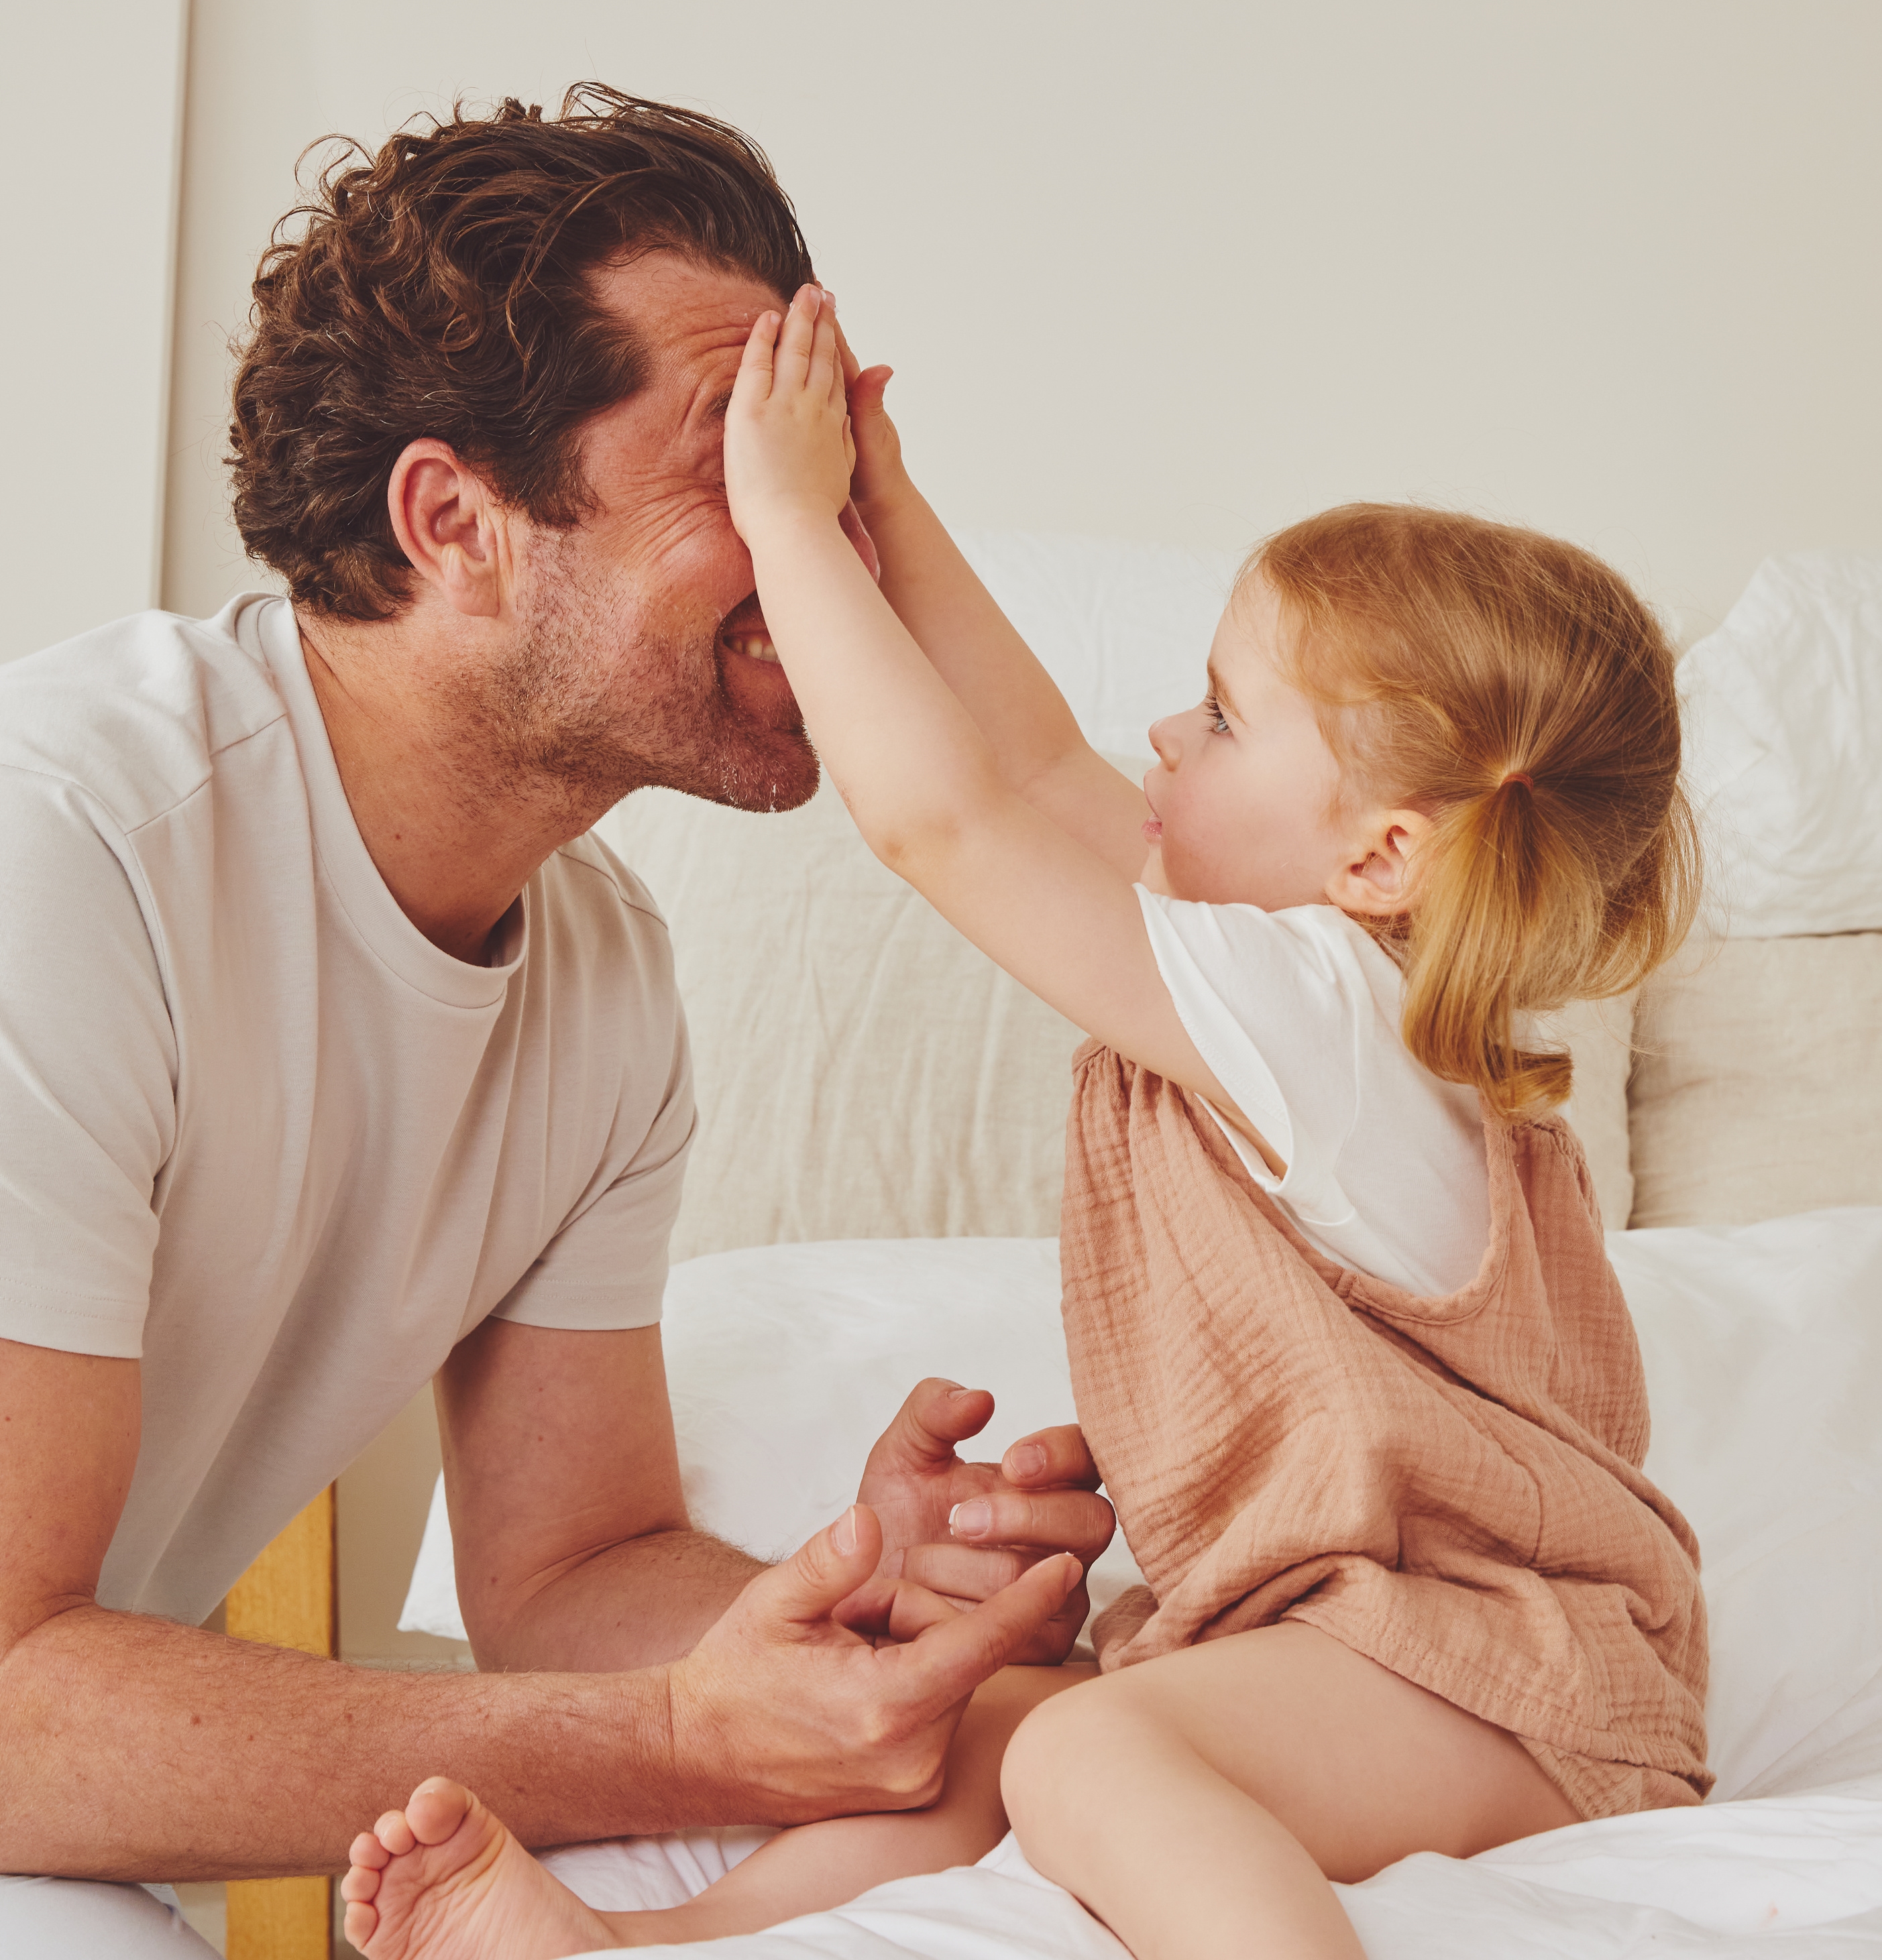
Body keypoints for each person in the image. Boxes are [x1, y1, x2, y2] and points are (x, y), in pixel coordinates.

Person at [341, 284, 1711, 1960]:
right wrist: (886, 504)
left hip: (1510, 1682)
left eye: (1222, 716)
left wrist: (790, 526)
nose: (1162, 732)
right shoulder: (1295, 991)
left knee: (1084, 1750)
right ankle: (648, 1946)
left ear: (1375, 856)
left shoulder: (1317, 1018)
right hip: (1356, 1648)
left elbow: (952, 818)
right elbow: (1034, 758)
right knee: (967, 1721)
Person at [0, 98, 1117, 1956]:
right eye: (742, 461)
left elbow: (567, 1568)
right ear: (456, 522)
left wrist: (851, 1604)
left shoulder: (596, 973)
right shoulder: (64, 852)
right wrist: (678, 1738)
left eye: (825, 463)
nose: (824, 540)